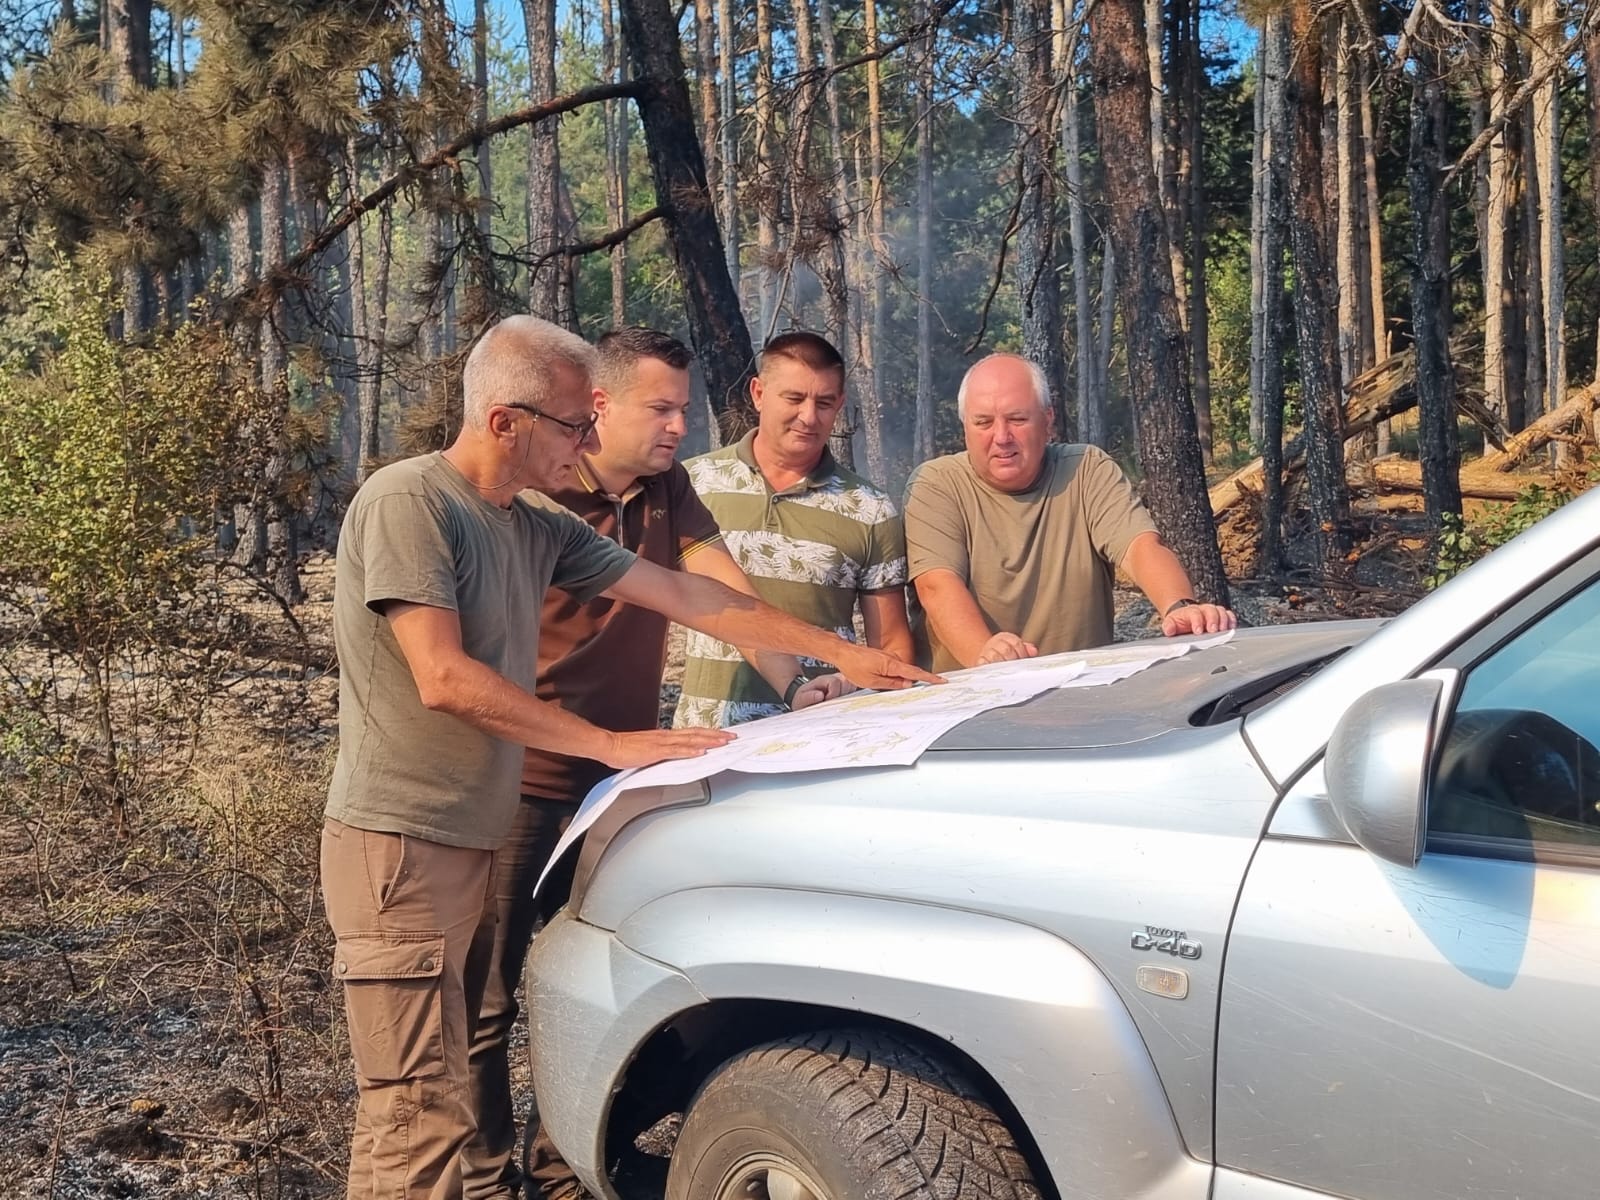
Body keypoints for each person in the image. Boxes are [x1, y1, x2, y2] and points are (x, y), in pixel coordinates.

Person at [321, 316, 937, 1200]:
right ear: (506, 422)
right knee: (417, 1112)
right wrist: (612, 744)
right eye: (574, 424)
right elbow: (444, 678)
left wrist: (840, 655)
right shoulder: (409, 501)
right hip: (404, 845)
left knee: (431, 1106)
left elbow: (688, 593)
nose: (585, 442)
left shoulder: (529, 522)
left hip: (466, 832)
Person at [462, 328, 853, 1200]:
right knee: (487, 1001)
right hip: (518, 782)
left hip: (618, 784)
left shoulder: (668, 488)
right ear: (597, 407)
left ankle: (564, 1168)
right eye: (662, 408)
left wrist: (798, 685)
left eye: (684, 406)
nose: (681, 426)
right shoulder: (538, 490)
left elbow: (723, 599)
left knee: (608, 981)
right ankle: (488, 1182)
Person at [904, 352, 1236, 671]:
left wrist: (1179, 606)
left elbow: (1140, 547)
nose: (1001, 437)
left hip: (1080, 693)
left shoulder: (1087, 470)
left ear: (1048, 420)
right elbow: (936, 586)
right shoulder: (936, 484)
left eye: (1017, 419)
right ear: (965, 426)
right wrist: (985, 654)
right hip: (966, 700)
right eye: (983, 422)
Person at [674, 331, 915, 727]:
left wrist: (850, 679)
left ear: (839, 405)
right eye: (794, 398)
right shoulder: (693, 483)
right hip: (706, 736)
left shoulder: (870, 509)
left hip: (818, 734)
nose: (808, 416)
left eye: (823, 403)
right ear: (758, 393)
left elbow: (891, 645)